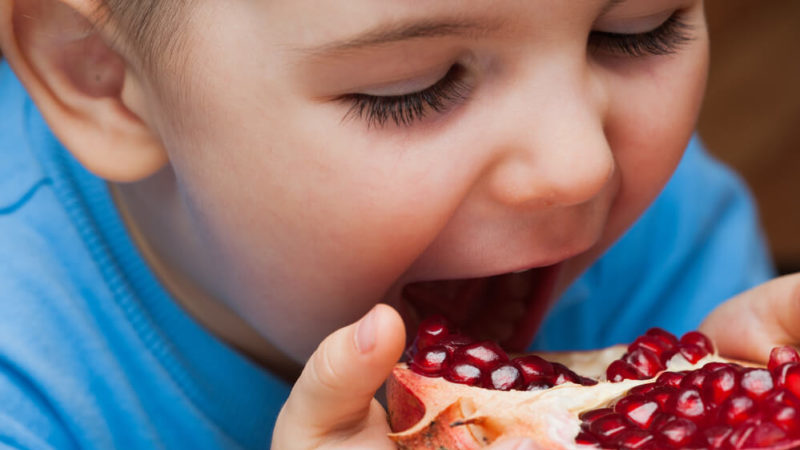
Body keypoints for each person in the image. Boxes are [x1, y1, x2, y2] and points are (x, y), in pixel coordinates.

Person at [0, 0, 792, 448]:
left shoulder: (673, 237)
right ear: (101, 77)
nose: (580, 165)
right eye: (414, 86)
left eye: (636, 30)